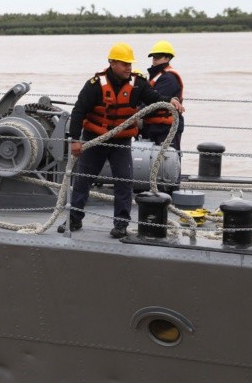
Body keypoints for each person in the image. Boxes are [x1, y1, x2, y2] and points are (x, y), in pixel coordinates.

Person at [62, 42, 184, 237]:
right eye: (124, 64)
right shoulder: (94, 85)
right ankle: (73, 220)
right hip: (95, 139)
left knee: (124, 181)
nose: (128, 67)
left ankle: (121, 224)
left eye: (130, 64)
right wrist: (75, 140)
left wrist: (170, 100)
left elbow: (153, 97)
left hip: (121, 141)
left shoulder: (137, 83)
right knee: (83, 180)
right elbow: (78, 111)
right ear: (112, 63)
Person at [141, 40, 184, 151]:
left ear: (168, 58)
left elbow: (155, 103)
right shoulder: (156, 76)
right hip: (153, 127)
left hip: (165, 129)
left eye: (158, 56)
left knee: (168, 163)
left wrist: (136, 113)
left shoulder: (168, 78)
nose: (154, 59)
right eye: (153, 56)